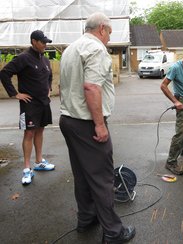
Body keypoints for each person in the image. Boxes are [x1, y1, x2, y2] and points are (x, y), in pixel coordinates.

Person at [59, 12, 136, 244]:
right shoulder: (96, 49)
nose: (109, 39)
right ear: (102, 28)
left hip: (69, 120)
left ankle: (86, 219)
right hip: (87, 124)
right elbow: (91, 87)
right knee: (102, 178)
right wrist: (100, 125)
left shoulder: (71, 48)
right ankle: (113, 232)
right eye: (109, 33)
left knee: (83, 174)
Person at [0, 30, 55, 185]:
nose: (45, 45)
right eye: (43, 42)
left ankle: (39, 162)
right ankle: (26, 168)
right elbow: (4, 73)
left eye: (46, 42)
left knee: (40, 130)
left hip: (44, 103)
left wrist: (49, 89)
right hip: (29, 105)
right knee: (29, 133)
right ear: (33, 42)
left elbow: (49, 76)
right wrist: (15, 94)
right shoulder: (23, 58)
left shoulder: (45, 60)